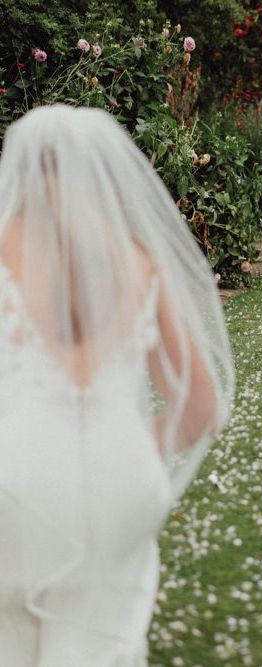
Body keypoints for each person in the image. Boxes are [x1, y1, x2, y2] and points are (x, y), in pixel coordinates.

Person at [0, 104, 234, 664]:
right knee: (99, 639)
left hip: (17, 479)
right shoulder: (139, 262)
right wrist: (121, 440)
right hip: (121, 476)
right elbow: (200, 407)